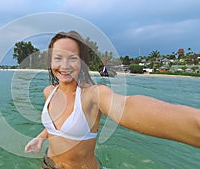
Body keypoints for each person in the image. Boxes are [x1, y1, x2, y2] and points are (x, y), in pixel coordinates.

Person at [24, 31, 200, 169]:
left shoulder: (93, 95)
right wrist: (40, 138)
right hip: (49, 164)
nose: (64, 66)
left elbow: (128, 106)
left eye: (72, 58)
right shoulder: (49, 92)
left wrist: (194, 124)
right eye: (58, 58)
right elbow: (56, 125)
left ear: (82, 62)